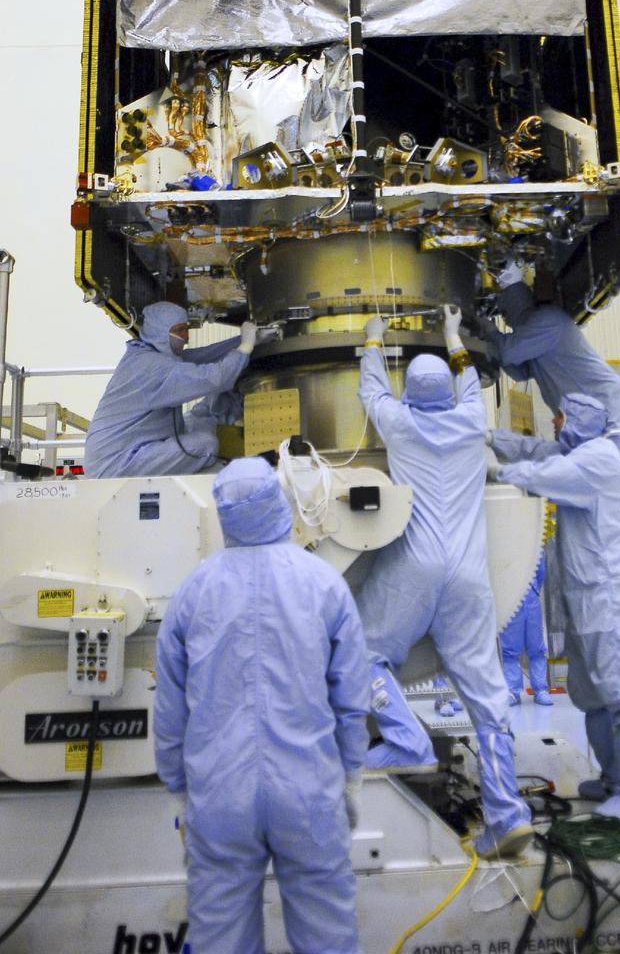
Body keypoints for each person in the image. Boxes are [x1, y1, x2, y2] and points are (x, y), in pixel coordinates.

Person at [154, 456, 369, 954]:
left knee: (220, 940)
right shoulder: (323, 584)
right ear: (278, 503)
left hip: (220, 798)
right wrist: (351, 775)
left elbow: (169, 711)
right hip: (309, 793)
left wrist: (181, 792)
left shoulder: (192, 593)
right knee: (328, 938)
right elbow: (351, 697)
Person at [355, 305, 532, 860]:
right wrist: (454, 332)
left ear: (412, 394)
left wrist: (373, 340)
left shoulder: (401, 424)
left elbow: (372, 393)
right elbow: (468, 379)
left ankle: (404, 738)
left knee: (359, 653)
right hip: (470, 578)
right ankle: (508, 815)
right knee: (486, 697)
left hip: (413, 567)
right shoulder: (470, 422)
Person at [489, 393, 620, 821]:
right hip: (587, 600)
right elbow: (536, 450)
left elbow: (542, 471)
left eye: (561, 416)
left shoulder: (596, 459)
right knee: (592, 695)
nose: (554, 421)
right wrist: (488, 436)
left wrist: (495, 470)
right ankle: (613, 780)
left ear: (581, 419)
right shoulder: (579, 452)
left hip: (612, 600)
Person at [482, 262, 620, 532]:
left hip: (599, 401)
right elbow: (520, 371)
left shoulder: (547, 321)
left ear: (517, 304)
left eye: (506, 310)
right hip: (580, 413)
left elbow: (508, 353)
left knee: (616, 468)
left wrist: (487, 331)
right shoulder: (536, 331)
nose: (507, 318)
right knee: (585, 467)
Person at [85, 301, 258, 477]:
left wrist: (248, 339)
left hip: (136, 448)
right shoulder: (153, 369)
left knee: (202, 417)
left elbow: (204, 356)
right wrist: (245, 348)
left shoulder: (147, 356)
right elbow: (214, 379)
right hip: (118, 463)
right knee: (206, 444)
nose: (186, 337)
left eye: (186, 329)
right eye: (179, 330)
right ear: (160, 332)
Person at [500, 556, 553, 707]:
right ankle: (513, 691)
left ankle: (541, 690)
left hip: (531, 597)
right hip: (508, 598)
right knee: (509, 650)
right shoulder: (501, 542)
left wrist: (534, 589)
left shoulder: (532, 541)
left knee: (536, 647)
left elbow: (540, 570)